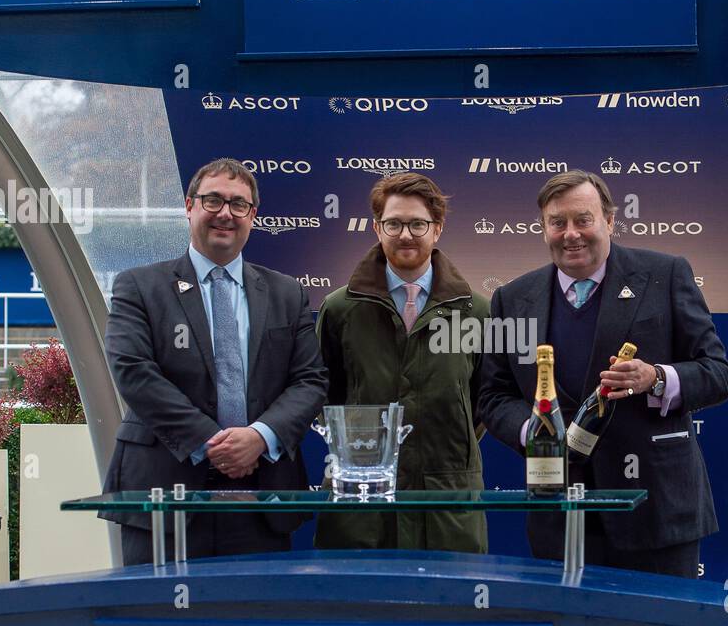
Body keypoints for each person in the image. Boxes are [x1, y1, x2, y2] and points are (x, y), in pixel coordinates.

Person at [477, 170, 728, 577]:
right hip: (558, 516)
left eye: (584, 219)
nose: (571, 234)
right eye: (557, 222)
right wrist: (535, 432)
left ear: (610, 221)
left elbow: (718, 373)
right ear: (543, 228)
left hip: (654, 509)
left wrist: (657, 378)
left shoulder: (664, 275)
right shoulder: (510, 299)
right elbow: (492, 396)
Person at [101, 158, 327, 564]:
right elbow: (134, 372)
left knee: (255, 618)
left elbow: (309, 380)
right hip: (163, 493)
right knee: (162, 622)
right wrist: (214, 444)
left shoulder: (286, 293)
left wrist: (258, 437)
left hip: (261, 496)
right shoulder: (139, 286)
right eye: (213, 200)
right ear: (189, 206)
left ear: (253, 216)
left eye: (238, 204)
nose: (225, 213)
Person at [314, 172, 490, 552]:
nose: (406, 234)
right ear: (377, 228)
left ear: (437, 229)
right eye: (394, 223)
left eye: (418, 224)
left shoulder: (476, 311)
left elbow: (481, 404)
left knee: (450, 608)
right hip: (361, 503)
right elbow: (323, 398)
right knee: (362, 606)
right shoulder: (341, 309)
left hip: (447, 505)